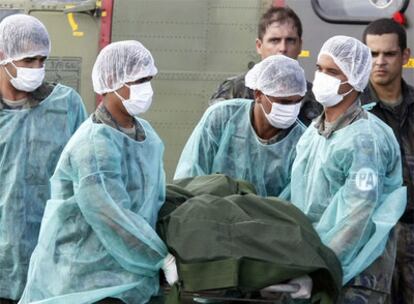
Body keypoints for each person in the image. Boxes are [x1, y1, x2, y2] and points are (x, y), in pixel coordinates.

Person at [18, 40, 178, 304]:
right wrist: (158, 257)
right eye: (138, 80)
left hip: (128, 276)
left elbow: (153, 200)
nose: (146, 88)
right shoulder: (94, 145)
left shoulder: (146, 135)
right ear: (112, 79)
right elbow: (111, 216)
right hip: (84, 278)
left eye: (149, 79)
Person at [290, 36, 407, 303]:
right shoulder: (314, 133)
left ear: (355, 78)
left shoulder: (366, 140)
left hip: (356, 278)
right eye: (319, 69)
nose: (321, 77)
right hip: (315, 265)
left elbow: (357, 218)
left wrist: (319, 271)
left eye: (332, 72)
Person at [0, 14, 88, 303]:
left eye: (42, 60)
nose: (37, 68)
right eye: (28, 60)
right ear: (3, 56)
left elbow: (84, 178)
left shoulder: (65, 105)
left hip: (52, 256)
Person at [174, 54, 306, 198]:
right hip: (211, 211)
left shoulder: (302, 142)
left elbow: (292, 201)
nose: (291, 108)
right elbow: (190, 178)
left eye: (297, 101)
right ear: (258, 95)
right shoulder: (222, 117)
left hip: (267, 218)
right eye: (283, 102)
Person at [361, 18, 413, 304]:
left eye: (389, 54)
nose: (380, 62)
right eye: (372, 54)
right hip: (371, 239)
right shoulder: (354, 112)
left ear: (405, 56)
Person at [210, 6, 322, 126]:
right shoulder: (234, 90)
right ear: (259, 46)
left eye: (290, 40)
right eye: (274, 40)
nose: (283, 48)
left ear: (300, 45)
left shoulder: (314, 97)